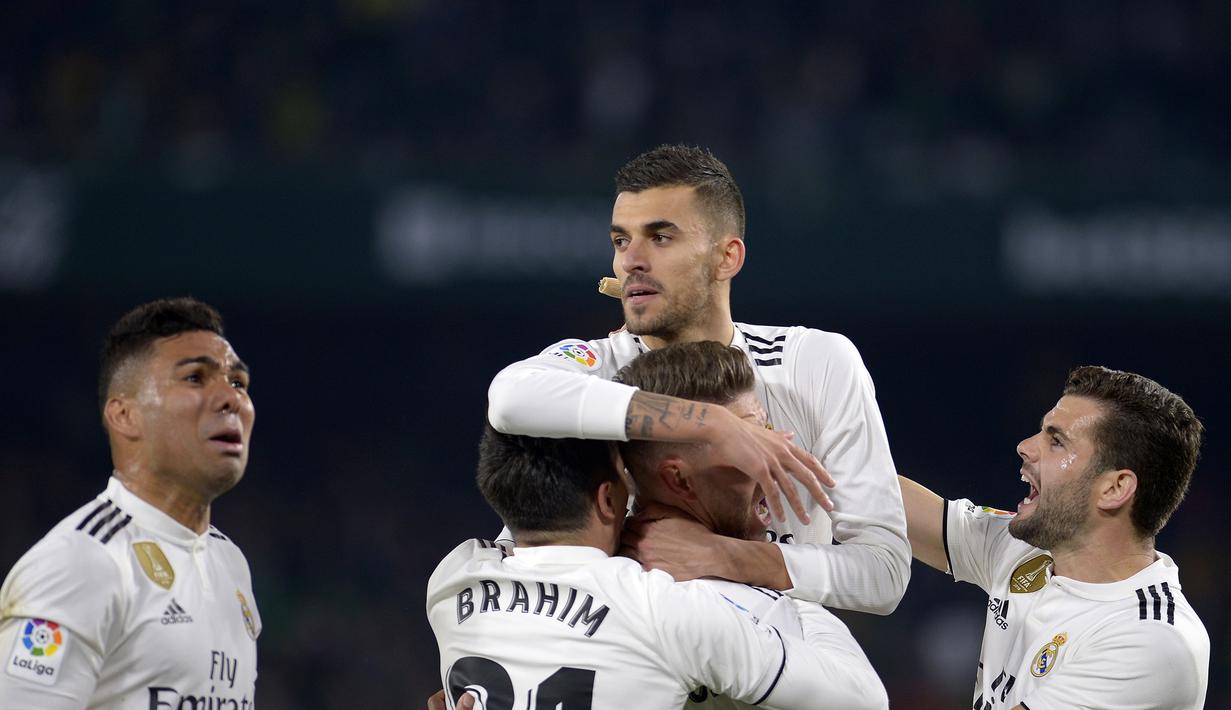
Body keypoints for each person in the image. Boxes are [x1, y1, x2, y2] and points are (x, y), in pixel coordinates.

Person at [487, 144, 909, 614]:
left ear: (726, 257)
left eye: (661, 237)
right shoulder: (598, 370)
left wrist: (725, 557)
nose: (631, 262)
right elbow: (507, 398)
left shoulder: (816, 363)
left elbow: (883, 573)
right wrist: (711, 424)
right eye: (621, 241)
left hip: (781, 675)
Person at [427, 345, 886, 709]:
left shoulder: (455, 576)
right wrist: (765, 581)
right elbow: (865, 698)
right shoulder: (673, 607)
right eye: (748, 440)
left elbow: (520, 455)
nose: (775, 448)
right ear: (610, 498)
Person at [0, 297, 261, 709]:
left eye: (238, 383)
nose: (230, 399)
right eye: (195, 378)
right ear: (125, 416)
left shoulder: (231, 564)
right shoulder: (80, 564)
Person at [899, 365, 1209, 709]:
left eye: (1056, 441)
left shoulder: (1152, 639)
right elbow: (880, 501)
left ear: (1114, 488)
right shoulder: (1029, 552)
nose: (1025, 447)